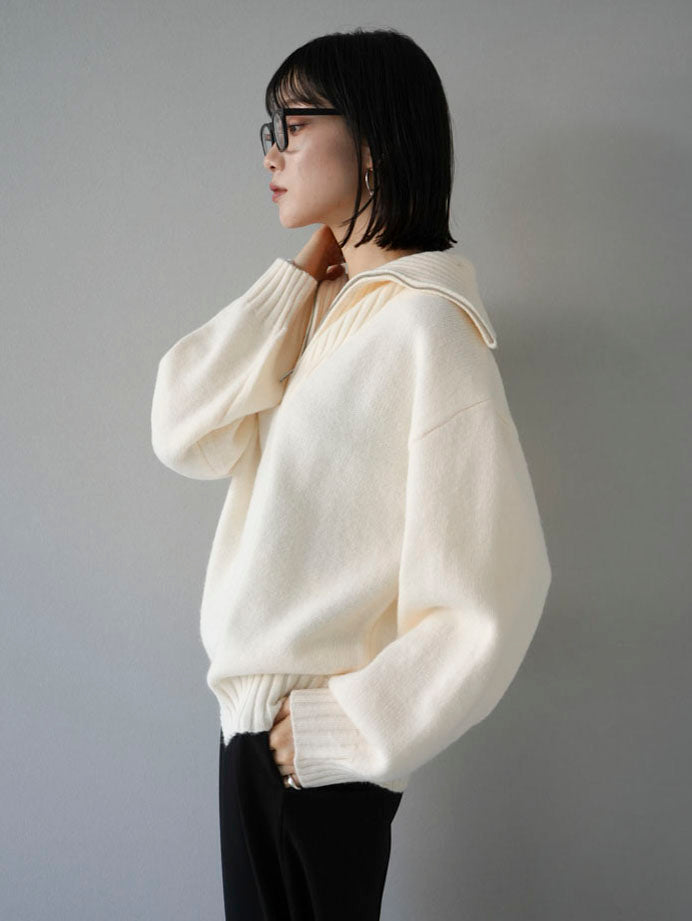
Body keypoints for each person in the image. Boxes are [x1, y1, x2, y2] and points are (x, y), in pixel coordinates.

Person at [150, 26, 552, 921]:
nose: (273, 153)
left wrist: (347, 726)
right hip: (252, 741)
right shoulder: (324, 318)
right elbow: (181, 426)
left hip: (314, 761)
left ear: (371, 139)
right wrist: (304, 277)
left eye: (294, 125)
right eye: (272, 130)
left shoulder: (427, 329)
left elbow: (498, 587)